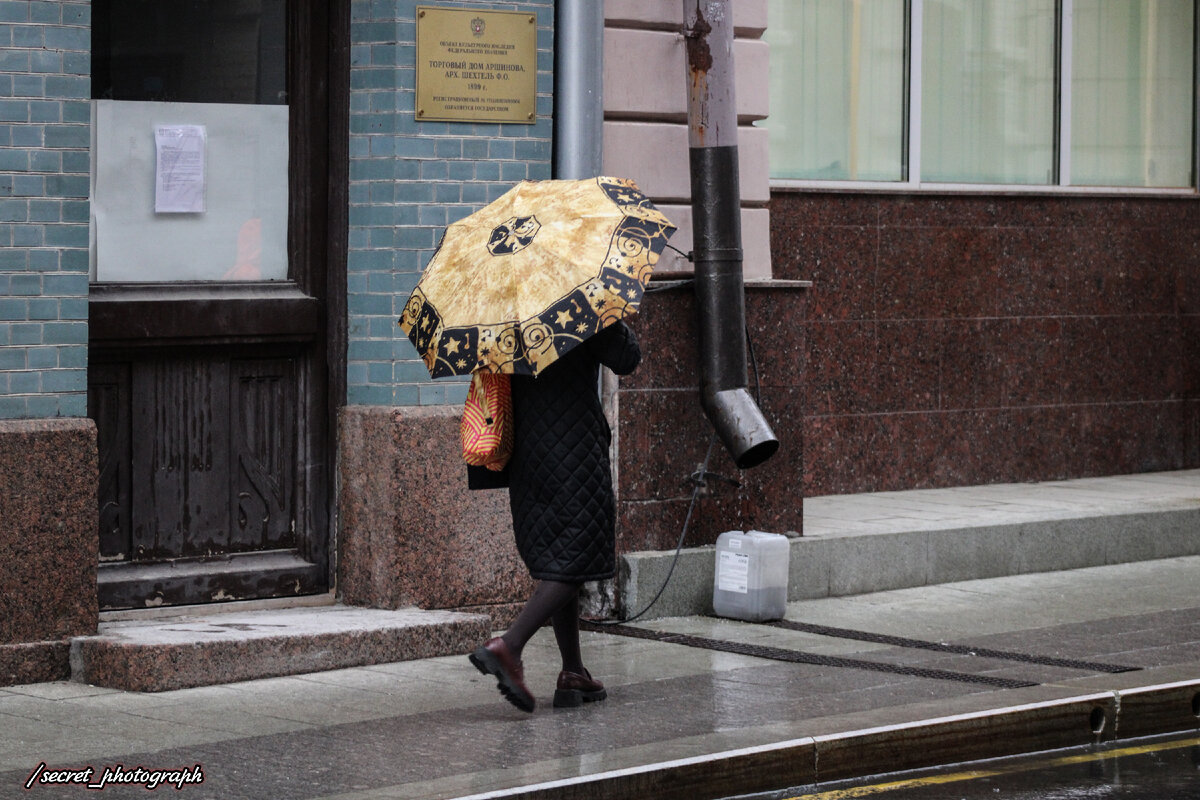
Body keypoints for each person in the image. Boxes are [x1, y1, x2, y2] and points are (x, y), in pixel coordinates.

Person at [468, 318, 642, 712]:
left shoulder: (502, 305)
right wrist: (615, 317)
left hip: (527, 450)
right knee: (580, 551)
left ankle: (572, 671)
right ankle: (509, 646)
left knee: (560, 559)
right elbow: (626, 358)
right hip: (575, 448)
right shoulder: (577, 302)